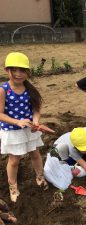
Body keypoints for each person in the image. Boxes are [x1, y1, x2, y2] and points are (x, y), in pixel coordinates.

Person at [0, 52, 48, 202]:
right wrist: (17, 122)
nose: (18, 74)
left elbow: (36, 110)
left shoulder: (29, 89)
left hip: (29, 129)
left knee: (35, 154)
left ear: (28, 72)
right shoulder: (3, 90)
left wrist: (35, 121)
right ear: (6, 70)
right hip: (13, 131)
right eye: (14, 70)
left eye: (22, 70)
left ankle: (40, 177)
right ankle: (13, 186)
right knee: (14, 160)